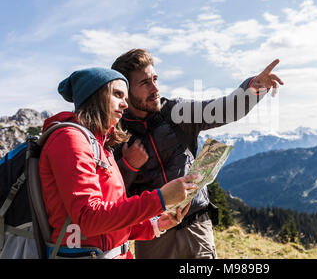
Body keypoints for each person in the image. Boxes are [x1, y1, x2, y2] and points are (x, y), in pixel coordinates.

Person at [111, 49, 284, 259]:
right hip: (153, 235)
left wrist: (253, 89)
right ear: (126, 90)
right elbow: (112, 194)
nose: (155, 88)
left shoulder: (175, 111)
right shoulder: (116, 133)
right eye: (145, 83)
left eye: (155, 79)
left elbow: (225, 109)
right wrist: (129, 166)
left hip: (196, 227)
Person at [39, 67, 198, 259]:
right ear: (94, 96)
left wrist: (154, 224)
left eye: (126, 98)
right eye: (117, 94)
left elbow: (111, 218)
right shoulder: (69, 139)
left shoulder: (101, 146)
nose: (124, 104)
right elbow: (89, 219)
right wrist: (160, 199)